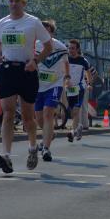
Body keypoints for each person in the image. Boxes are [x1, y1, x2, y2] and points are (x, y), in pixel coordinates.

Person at [0, 0, 52, 174]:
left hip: (26, 71)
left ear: (24, 3)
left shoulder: (33, 22)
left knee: (28, 117)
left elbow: (48, 46)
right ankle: (6, 156)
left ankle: (32, 148)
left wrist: (36, 60)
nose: (13, 4)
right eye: (11, 0)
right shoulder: (1, 23)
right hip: (7, 70)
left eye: (17, 0)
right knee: (7, 113)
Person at [34, 20, 69, 161]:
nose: (44, 33)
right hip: (38, 85)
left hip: (55, 84)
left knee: (48, 112)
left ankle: (46, 149)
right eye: (42, 30)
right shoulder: (34, 45)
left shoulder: (60, 47)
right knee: (39, 118)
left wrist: (67, 77)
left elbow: (66, 62)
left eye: (47, 30)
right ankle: (49, 134)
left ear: (51, 32)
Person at [66, 39, 92, 142]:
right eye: (69, 48)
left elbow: (88, 73)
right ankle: (79, 127)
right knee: (72, 113)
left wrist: (89, 84)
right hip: (68, 89)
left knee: (76, 111)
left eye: (73, 48)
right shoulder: (66, 59)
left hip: (80, 88)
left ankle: (72, 132)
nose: (70, 50)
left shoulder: (83, 61)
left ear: (77, 49)